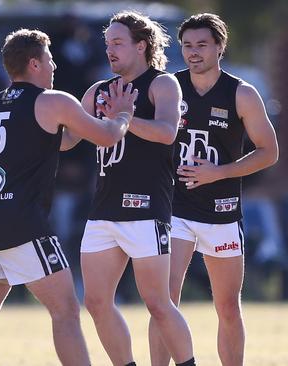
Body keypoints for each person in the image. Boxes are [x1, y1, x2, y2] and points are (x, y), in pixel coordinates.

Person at [0, 28, 138, 366]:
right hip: (24, 224)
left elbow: (57, 143)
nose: (54, 66)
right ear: (34, 63)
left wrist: (83, 122)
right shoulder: (53, 101)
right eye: (49, 59)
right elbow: (107, 137)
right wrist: (123, 115)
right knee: (65, 311)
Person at [148, 13, 278, 366]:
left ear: (220, 48)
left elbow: (269, 151)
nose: (193, 53)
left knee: (228, 307)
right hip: (174, 209)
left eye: (202, 45)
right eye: (187, 46)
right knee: (164, 302)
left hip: (221, 212)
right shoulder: (168, 87)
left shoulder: (242, 93)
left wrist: (219, 172)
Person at [72, 11, 196, 366]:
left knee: (158, 303)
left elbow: (167, 132)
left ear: (141, 46)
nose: (109, 50)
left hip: (146, 209)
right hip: (103, 212)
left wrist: (124, 118)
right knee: (96, 303)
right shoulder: (97, 91)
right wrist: (43, 116)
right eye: (107, 43)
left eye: (118, 43)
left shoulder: (162, 84)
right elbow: (68, 139)